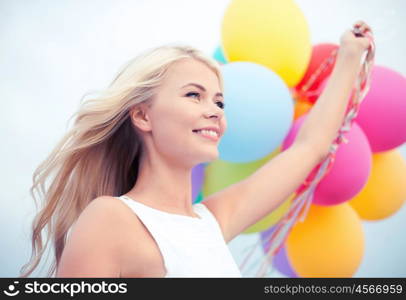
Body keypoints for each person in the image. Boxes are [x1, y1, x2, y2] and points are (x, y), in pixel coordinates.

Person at [20, 21, 373, 278]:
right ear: (143, 115)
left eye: (220, 102)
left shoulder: (213, 222)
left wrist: (349, 57)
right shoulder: (109, 218)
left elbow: (309, 148)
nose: (215, 111)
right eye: (194, 95)